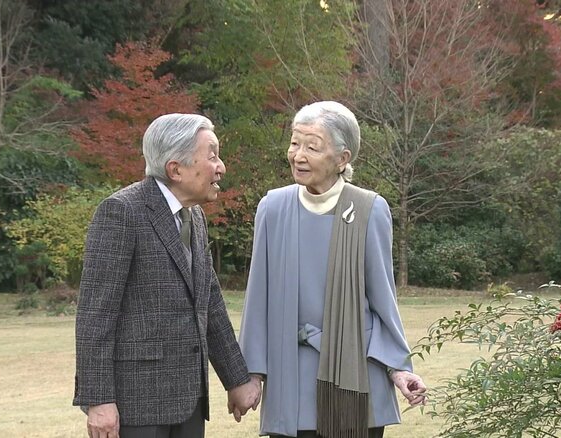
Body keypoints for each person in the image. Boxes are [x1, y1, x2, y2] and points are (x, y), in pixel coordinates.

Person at [239, 101, 427, 438]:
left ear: (342, 158)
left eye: (312, 147)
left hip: (356, 372)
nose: (298, 155)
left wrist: (398, 368)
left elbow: (383, 297)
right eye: (295, 143)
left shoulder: (369, 208)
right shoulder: (273, 207)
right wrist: (252, 374)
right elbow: (257, 299)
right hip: (290, 377)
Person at [73, 113, 261, 438]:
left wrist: (236, 378)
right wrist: (98, 400)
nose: (221, 167)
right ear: (176, 169)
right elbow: (96, 315)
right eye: (212, 156)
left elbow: (209, 303)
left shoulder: (195, 216)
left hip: (189, 402)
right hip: (137, 406)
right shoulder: (122, 211)